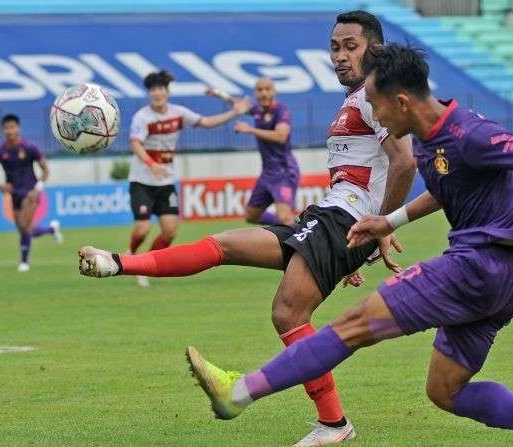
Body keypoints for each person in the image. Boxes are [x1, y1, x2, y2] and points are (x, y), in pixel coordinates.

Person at [183, 44, 513, 447]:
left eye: (377, 107)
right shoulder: (425, 141)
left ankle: (236, 394)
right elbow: (445, 189)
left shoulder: (468, 134)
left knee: (351, 326)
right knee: (445, 391)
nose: (375, 116)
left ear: (401, 102)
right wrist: (389, 221)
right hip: (503, 283)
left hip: (476, 265)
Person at [79, 11, 415, 446]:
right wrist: (366, 238)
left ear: (375, 49)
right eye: (334, 47)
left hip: (343, 220)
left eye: (350, 46)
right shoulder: (353, 100)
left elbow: (405, 162)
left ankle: (330, 423)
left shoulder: (376, 95)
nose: (339, 56)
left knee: (288, 313)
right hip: (330, 219)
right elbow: (374, 172)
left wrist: (379, 225)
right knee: (224, 244)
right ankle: (116, 264)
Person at [127, 69, 251, 287]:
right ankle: (131, 255)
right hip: (142, 181)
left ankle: (144, 265)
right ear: (149, 94)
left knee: (170, 231)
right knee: (142, 229)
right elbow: (135, 143)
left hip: (165, 182)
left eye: (160, 89)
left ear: (167, 92)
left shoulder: (178, 113)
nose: (157, 93)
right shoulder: (142, 117)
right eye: (153, 90)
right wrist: (152, 164)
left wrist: (234, 113)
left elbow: (207, 122)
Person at [207, 78, 300, 226]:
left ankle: (296, 234)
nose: (263, 93)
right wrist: (220, 94)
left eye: (267, 89)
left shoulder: (281, 110)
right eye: (260, 90)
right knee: (251, 215)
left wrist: (250, 130)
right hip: (267, 173)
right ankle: (293, 226)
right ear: (255, 93)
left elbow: (281, 136)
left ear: (274, 91)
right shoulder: (258, 110)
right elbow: (240, 104)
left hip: (284, 172)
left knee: (284, 217)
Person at [0, 114, 63, 272]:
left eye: (12, 127)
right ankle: (51, 230)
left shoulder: (29, 148)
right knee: (24, 228)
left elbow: (45, 170)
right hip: (14, 193)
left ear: (18, 128)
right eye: (6, 128)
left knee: (24, 227)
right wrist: (0, 186)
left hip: (30, 193)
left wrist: (38, 189)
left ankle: (24, 262)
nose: (9, 131)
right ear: (2, 130)